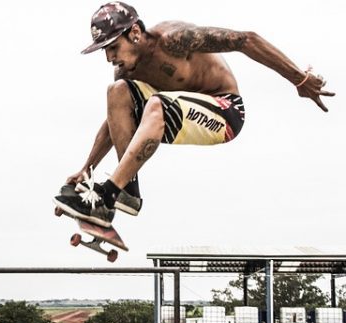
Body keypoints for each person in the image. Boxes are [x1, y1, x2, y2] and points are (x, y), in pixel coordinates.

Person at [53, 1, 334, 228]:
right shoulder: (127, 69)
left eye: (114, 48)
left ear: (135, 33)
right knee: (117, 92)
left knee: (156, 105)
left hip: (225, 113)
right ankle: (128, 192)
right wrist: (86, 168)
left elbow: (246, 40)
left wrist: (299, 79)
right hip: (172, 110)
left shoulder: (175, 40)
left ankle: (109, 194)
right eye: (105, 51)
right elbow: (114, 122)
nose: (110, 58)